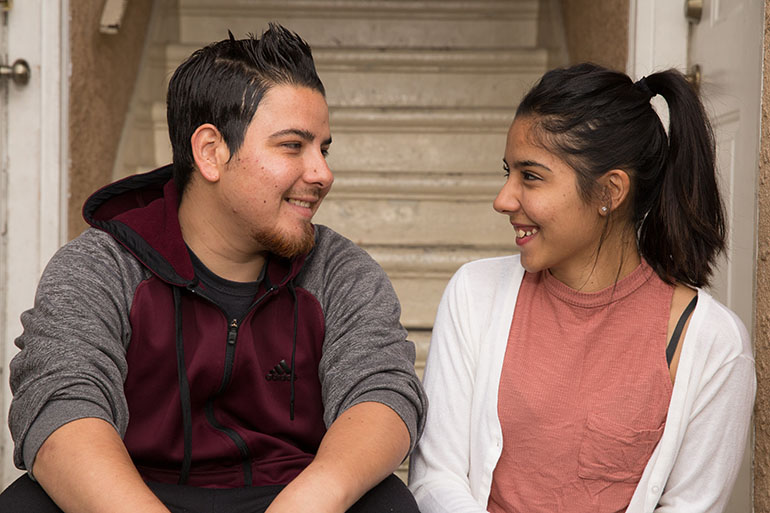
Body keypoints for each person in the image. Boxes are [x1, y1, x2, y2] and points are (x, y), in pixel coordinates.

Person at [0, 24, 426, 513]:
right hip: (130, 494)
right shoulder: (100, 267)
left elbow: (382, 392)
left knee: (388, 504)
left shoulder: (339, 272)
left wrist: (314, 497)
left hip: (291, 496)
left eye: (323, 149)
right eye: (293, 146)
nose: (323, 173)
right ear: (211, 152)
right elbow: (59, 402)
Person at [408, 63, 756, 513]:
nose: (503, 199)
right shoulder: (474, 295)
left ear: (610, 191)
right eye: (507, 172)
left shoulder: (712, 345)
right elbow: (436, 478)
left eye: (530, 176)